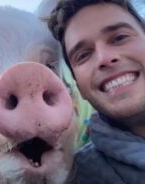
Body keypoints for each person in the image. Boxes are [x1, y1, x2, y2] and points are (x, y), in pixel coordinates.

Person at [47, 0, 145, 183]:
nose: (104, 58)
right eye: (83, 55)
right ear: (78, 86)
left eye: (120, 38)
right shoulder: (78, 176)